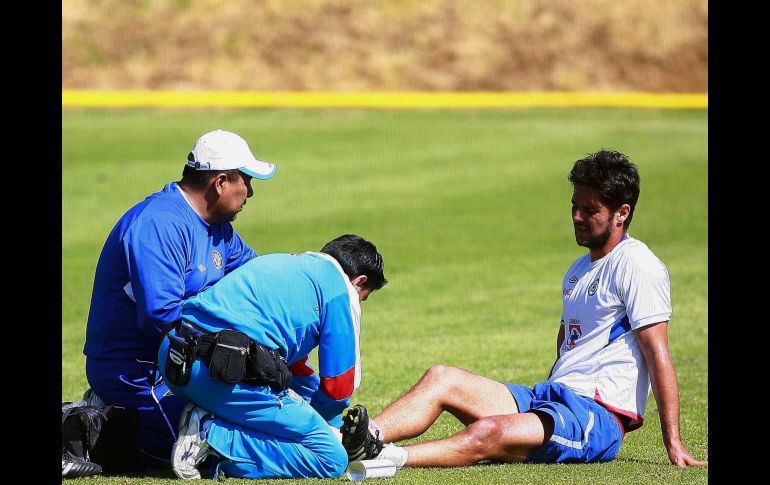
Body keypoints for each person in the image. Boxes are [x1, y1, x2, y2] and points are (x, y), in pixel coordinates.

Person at [341, 150, 707, 469]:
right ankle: (353, 444)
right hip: (551, 396)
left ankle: (385, 458)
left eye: (590, 210)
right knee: (442, 378)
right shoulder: (578, 271)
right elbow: (567, 344)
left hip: (595, 416)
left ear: (621, 213)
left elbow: (657, 352)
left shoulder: (637, 264)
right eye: (574, 206)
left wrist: (673, 442)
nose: (577, 217)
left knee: (489, 432)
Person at [82, 129, 277, 466]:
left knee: (265, 414)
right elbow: (162, 317)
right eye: (245, 180)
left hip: (178, 361)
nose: (252, 191)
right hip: (136, 371)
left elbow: (255, 278)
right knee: (218, 450)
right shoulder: (159, 223)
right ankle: (91, 423)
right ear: (220, 182)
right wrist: (230, 348)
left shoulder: (218, 228)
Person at [156, 234, 387, 480]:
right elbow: (338, 387)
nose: (361, 301)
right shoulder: (342, 290)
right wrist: (332, 430)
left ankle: (208, 427)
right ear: (359, 281)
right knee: (330, 458)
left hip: (174, 357)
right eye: (365, 295)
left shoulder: (285, 263)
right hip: (224, 372)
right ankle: (211, 435)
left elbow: (296, 369)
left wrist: (320, 418)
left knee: (292, 409)